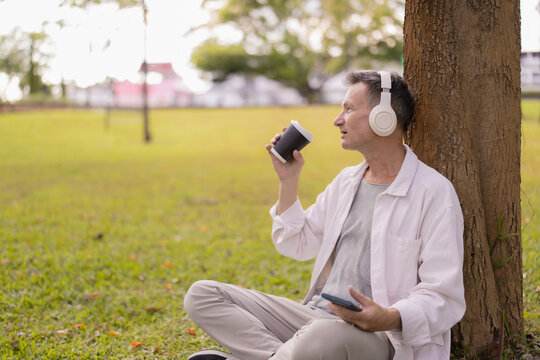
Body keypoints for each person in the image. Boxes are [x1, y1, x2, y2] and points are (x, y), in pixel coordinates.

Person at [183, 70, 466, 360]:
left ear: (384, 117)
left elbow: (443, 295)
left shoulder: (433, 193)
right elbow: (297, 243)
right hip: (315, 318)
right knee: (202, 294)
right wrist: (287, 181)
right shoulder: (347, 181)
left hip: (382, 337)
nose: (337, 119)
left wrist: (389, 317)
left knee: (321, 336)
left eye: (348, 109)